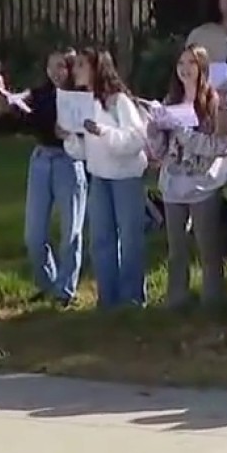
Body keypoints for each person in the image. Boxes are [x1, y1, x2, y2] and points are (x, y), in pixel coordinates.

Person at [0, 50, 87, 307]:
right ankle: (47, 284)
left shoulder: (81, 95)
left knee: (71, 232)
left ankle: (65, 291)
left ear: (70, 68)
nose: (55, 72)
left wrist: (72, 133)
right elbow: (15, 104)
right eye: (51, 66)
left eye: (61, 66)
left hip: (69, 162)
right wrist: (1, 90)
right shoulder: (40, 93)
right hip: (41, 160)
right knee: (34, 235)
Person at [145, 45, 227, 309]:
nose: (185, 69)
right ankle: (177, 298)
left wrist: (184, 133)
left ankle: (212, 299)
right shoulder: (170, 101)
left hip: (203, 184)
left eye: (192, 63)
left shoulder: (215, 102)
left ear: (202, 67)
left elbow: (220, 146)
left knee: (208, 247)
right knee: (176, 249)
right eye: (181, 63)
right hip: (173, 185)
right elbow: (160, 151)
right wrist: (154, 130)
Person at [63, 49, 150, 310]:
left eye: (81, 65)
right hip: (99, 177)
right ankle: (108, 299)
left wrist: (102, 131)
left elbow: (136, 140)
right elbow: (83, 151)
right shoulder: (83, 103)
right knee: (101, 239)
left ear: (96, 67)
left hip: (126, 178)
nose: (75, 70)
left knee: (130, 239)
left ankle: (132, 298)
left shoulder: (118, 101)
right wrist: (69, 137)